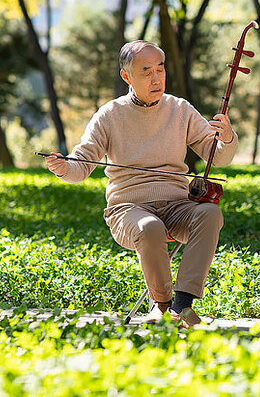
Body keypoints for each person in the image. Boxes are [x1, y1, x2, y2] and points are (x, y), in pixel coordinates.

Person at [44, 40, 237, 328]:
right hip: (128, 209)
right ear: (126, 76)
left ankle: (183, 305)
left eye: (160, 69)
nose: (156, 78)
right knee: (150, 228)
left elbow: (218, 158)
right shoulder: (110, 114)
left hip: (176, 206)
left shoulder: (180, 109)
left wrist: (228, 137)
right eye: (146, 71)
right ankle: (161, 305)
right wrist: (63, 167)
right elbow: (81, 164)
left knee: (210, 213)